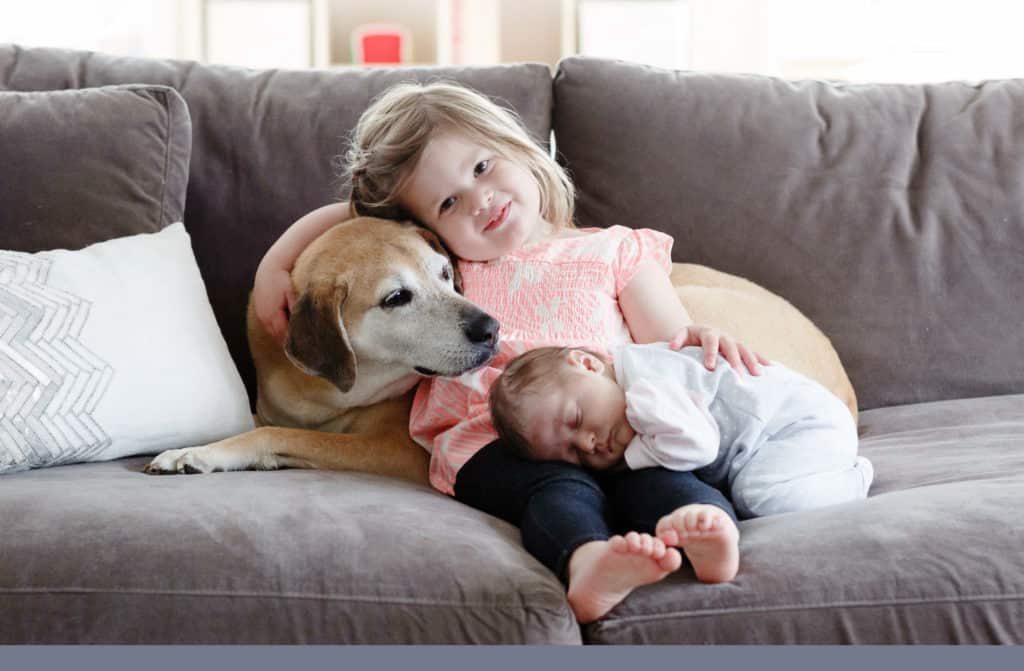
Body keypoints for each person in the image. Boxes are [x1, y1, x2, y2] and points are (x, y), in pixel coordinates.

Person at [252, 81, 771, 624]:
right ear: (427, 226)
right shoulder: (447, 264)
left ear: (521, 149)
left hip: (613, 429)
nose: (479, 201)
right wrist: (276, 266)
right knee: (555, 495)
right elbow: (349, 215)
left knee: (667, 479)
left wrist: (700, 339)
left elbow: (669, 351)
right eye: (448, 202)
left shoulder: (612, 251)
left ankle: (708, 530)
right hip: (489, 440)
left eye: (481, 168)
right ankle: (588, 562)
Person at [489, 342, 873, 546]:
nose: (587, 443)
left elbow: (698, 448)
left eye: (574, 419)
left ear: (587, 363)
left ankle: (853, 478)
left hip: (801, 427)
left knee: (756, 496)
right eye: (571, 454)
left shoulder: (647, 392)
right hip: (780, 436)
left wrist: (631, 459)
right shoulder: (626, 382)